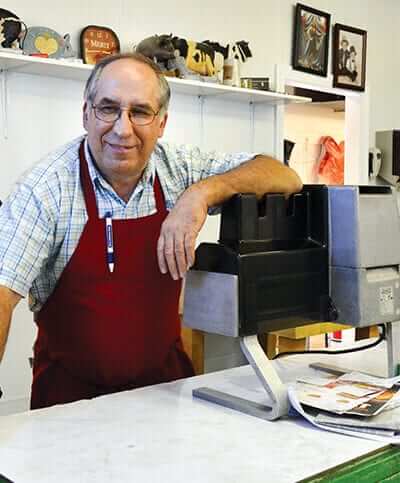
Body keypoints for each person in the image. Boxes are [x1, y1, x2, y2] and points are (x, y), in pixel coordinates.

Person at [0, 53, 302, 409]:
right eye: (108, 108)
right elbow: (2, 296)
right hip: (69, 403)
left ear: (161, 123)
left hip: (165, 392)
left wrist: (202, 193)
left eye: (140, 112)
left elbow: (285, 177)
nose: (122, 129)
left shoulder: (180, 169)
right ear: (86, 114)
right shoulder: (45, 190)